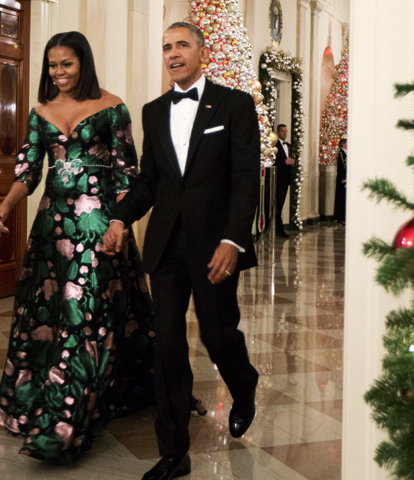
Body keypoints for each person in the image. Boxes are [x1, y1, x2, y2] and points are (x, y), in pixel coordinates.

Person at [0, 31, 157, 463]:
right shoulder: (41, 111)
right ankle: (44, 402)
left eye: (67, 64)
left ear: (84, 63)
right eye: (52, 65)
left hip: (98, 227)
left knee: (85, 315)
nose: (59, 73)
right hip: (51, 227)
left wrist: (119, 224)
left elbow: (126, 174)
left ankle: (65, 422)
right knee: (51, 313)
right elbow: (27, 170)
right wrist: (6, 205)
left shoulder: (112, 107)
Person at [103, 21, 260, 480]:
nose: (172, 53)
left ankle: (244, 384)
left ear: (203, 53)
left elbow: (246, 178)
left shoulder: (234, 104)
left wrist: (234, 238)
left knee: (218, 336)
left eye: (182, 45)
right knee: (167, 346)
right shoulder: (154, 111)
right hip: (167, 247)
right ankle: (174, 452)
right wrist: (120, 217)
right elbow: (150, 181)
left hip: (215, 247)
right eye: (167, 46)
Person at [274, 124, 294, 238]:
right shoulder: (275, 145)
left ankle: (279, 228)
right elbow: (273, 161)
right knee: (277, 204)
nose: (285, 134)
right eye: (283, 131)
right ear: (278, 132)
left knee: (281, 204)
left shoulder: (289, 146)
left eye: (286, 131)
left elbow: (288, 160)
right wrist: (284, 162)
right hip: (278, 179)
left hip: (286, 180)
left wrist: (292, 161)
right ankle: (278, 229)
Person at [334, 137, 347, 225]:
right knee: (341, 199)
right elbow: (341, 168)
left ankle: (343, 217)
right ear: (343, 144)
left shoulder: (346, 153)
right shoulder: (341, 153)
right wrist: (344, 181)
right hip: (342, 180)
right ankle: (340, 218)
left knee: (344, 199)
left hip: (346, 179)